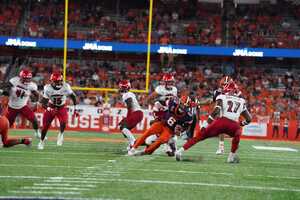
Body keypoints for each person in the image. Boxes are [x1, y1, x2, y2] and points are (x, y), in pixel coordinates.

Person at [175, 81, 252, 163]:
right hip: (233, 125)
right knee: (238, 134)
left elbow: (216, 111)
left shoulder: (222, 96)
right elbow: (249, 119)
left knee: (199, 137)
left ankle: (180, 151)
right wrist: (240, 124)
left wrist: (206, 124)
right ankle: (231, 157)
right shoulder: (241, 100)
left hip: (221, 122)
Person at [128, 96, 193, 156]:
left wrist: (181, 131)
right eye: (182, 104)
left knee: (160, 141)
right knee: (148, 132)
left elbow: (187, 127)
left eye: (185, 106)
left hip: (170, 131)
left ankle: (145, 152)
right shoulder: (172, 103)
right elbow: (163, 100)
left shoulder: (188, 116)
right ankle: (133, 148)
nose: (183, 107)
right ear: (179, 102)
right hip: (162, 124)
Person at [38, 72, 77, 150]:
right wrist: (50, 109)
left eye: (59, 81)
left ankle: (61, 134)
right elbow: (43, 103)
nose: (58, 83)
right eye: (56, 81)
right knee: (45, 126)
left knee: (63, 122)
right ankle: (41, 142)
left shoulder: (66, 86)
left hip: (61, 107)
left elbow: (73, 96)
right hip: (51, 106)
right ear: (51, 81)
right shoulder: (47, 88)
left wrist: (75, 107)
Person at [2, 69, 41, 138]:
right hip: (12, 107)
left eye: (28, 79)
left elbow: (37, 95)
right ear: (20, 77)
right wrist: (6, 96)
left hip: (23, 106)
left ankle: (37, 132)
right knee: (7, 124)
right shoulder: (14, 81)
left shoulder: (32, 85)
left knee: (34, 120)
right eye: (25, 78)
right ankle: (1, 137)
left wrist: (36, 102)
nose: (27, 80)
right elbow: (6, 89)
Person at [118, 80, 144, 150]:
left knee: (123, 127)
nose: (121, 89)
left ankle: (133, 143)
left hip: (136, 113)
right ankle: (131, 143)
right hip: (138, 113)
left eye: (122, 87)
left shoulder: (126, 95)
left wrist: (128, 117)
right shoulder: (130, 94)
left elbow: (130, 106)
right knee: (122, 127)